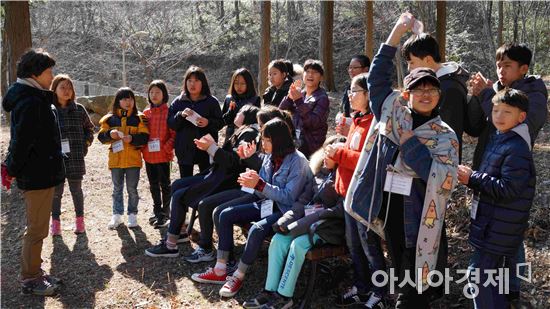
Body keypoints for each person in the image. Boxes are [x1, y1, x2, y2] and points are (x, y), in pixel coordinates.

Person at [348, 13, 459, 308]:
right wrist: (396, 33)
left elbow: (440, 177)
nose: (425, 94)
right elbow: (376, 78)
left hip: (422, 214)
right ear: (406, 94)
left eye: (431, 89)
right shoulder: (395, 113)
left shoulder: (444, 136)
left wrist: (411, 146)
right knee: (400, 266)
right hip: (391, 207)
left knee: (417, 281)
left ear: (439, 94)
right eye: (418, 89)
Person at [191, 118, 313, 298]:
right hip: (267, 203)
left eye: (266, 140)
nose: (262, 144)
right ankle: (220, 269)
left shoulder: (297, 161)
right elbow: (263, 190)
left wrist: (261, 185)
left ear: (278, 140)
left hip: (286, 210)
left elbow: (289, 197)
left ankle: (238, 276)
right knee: (225, 214)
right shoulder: (270, 157)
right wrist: (254, 182)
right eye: (263, 139)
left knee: (257, 229)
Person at [466, 43, 548, 304]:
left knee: (507, 233)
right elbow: (476, 127)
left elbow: (525, 123)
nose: (501, 70)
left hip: (507, 176)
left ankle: (511, 289)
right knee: (501, 234)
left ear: (523, 69)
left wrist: (489, 94)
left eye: (507, 66)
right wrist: (477, 96)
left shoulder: (533, 92)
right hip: (487, 172)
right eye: (499, 65)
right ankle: (505, 289)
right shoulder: (498, 93)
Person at [180, 106, 296, 265]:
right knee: (211, 207)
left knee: (217, 209)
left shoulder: (292, 156)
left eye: (260, 126)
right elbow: (257, 171)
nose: (258, 130)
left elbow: (278, 190)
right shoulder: (262, 144)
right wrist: (248, 160)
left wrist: (254, 173)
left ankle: (227, 261)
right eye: (258, 127)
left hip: (265, 199)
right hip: (252, 191)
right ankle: (219, 256)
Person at [144, 105, 261, 258]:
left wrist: (211, 148)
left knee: (182, 195)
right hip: (219, 175)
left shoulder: (249, 133)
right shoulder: (241, 131)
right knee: (178, 185)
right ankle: (178, 232)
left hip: (226, 180)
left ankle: (172, 243)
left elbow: (233, 162)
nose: (236, 113)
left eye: (240, 112)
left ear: (248, 116)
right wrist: (211, 147)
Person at [243, 136, 346, 309]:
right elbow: (302, 201)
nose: (326, 158)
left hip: (327, 228)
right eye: (325, 153)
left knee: (297, 245)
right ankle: (269, 291)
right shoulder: (319, 174)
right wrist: (287, 218)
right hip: (305, 222)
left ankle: (284, 296)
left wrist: (313, 217)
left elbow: (339, 210)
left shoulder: (345, 178)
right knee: (278, 240)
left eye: (331, 155)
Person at [457, 88, 535, 309]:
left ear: (521, 117)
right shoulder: (501, 138)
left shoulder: (516, 147)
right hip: (492, 221)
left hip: (499, 226)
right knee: (490, 278)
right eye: (495, 110)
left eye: (506, 112)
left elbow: (508, 188)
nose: (498, 116)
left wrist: (473, 178)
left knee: (477, 277)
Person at [2, 48, 64, 295]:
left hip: (41, 172)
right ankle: (30, 278)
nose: (52, 76)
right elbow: (21, 141)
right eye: (49, 72)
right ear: (35, 74)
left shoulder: (34, 97)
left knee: (38, 226)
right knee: (37, 229)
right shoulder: (30, 102)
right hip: (37, 175)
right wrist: (11, 168)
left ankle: (35, 271)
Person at [327, 73, 386, 308]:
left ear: (369, 94)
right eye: (350, 91)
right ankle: (362, 288)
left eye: (355, 91)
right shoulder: (358, 119)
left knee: (369, 245)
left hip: (363, 197)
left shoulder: (375, 124)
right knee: (354, 246)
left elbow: (367, 160)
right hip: (347, 195)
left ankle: (380, 292)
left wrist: (339, 153)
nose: (350, 96)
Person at [401, 33, 469, 162]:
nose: (409, 68)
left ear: (427, 60)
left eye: (412, 62)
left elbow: (450, 132)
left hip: (439, 161)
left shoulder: (449, 88)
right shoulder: (443, 83)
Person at [98, 87, 149, 229]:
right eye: (125, 98)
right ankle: (117, 215)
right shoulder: (109, 119)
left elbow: (145, 137)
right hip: (116, 161)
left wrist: (132, 138)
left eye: (131, 98)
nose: (128, 102)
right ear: (118, 101)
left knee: (132, 189)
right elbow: (101, 137)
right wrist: (110, 134)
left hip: (133, 160)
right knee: (117, 188)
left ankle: (132, 214)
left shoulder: (139, 118)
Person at [49, 74, 95, 235]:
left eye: (69, 87)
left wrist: (85, 145)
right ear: (54, 89)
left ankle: (80, 221)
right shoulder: (49, 110)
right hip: (55, 158)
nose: (67, 90)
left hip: (76, 156)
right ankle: (55, 223)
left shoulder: (79, 109)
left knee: (76, 190)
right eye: (62, 87)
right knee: (56, 193)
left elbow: (90, 129)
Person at [168, 66, 223, 177]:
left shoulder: (211, 101)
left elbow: (220, 123)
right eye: (190, 81)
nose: (192, 84)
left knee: (206, 181)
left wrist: (208, 122)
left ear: (203, 83)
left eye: (196, 81)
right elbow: (170, 123)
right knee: (185, 181)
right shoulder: (178, 102)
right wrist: (181, 115)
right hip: (184, 149)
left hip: (205, 149)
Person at [279, 59, 330, 158]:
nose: (310, 75)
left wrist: (298, 101)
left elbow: (313, 123)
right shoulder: (301, 93)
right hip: (295, 139)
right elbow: (281, 112)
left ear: (321, 78)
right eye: (307, 72)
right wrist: (289, 98)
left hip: (310, 144)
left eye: (315, 72)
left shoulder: (322, 98)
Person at [142, 80, 176, 228]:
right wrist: (143, 148)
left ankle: (165, 212)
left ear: (164, 94)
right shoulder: (145, 113)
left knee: (165, 185)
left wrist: (166, 148)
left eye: (157, 92)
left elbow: (174, 134)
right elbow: (141, 133)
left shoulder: (169, 112)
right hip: (149, 156)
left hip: (163, 156)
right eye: (151, 92)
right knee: (153, 185)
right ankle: (157, 211)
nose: (154, 95)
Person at [221, 68, 261, 138]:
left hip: (247, 135)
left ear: (248, 84)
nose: (239, 86)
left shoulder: (255, 99)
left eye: (243, 83)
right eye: (236, 83)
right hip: (230, 135)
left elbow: (256, 122)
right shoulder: (229, 99)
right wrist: (230, 111)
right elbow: (223, 121)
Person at [337, 55, 370, 137]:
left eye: (355, 67)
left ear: (366, 69)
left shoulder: (372, 89)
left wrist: (352, 131)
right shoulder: (348, 88)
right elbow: (345, 110)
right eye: (349, 67)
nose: (351, 70)